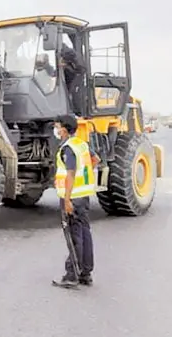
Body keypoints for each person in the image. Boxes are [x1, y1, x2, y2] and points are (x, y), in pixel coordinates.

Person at [52, 114, 100, 289]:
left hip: (72, 197)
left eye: (57, 127)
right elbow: (96, 160)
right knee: (85, 233)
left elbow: (71, 174)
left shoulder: (68, 149)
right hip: (84, 195)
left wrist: (67, 200)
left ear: (64, 129)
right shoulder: (82, 144)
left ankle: (72, 275)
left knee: (74, 236)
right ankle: (86, 273)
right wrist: (85, 174)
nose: (56, 130)